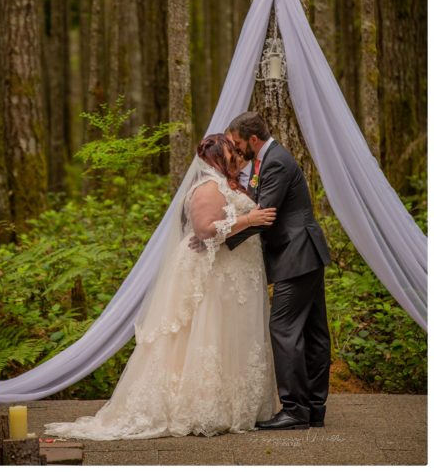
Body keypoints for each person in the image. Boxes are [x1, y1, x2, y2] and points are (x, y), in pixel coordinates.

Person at [45, 133, 278, 439]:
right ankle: (199, 406)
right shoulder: (207, 187)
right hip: (208, 273)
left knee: (225, 334)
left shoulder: (223, 184)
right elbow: (205, 229)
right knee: (202, 333)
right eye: (229, 152)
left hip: (228, 273)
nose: (235, 156)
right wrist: (249, 219)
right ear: (215, 158)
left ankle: (235, 404)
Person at [224, 111, 332, 430]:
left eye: (239, 142)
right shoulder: (271, 159)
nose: (237, 148)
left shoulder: (276, 161)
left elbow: (265, 215)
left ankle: (295, 408)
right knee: (314, 332)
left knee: (283, 328)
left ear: (253, 140)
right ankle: (313, 407)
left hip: (295, 254)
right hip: (304, 253)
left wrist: (221, 239)